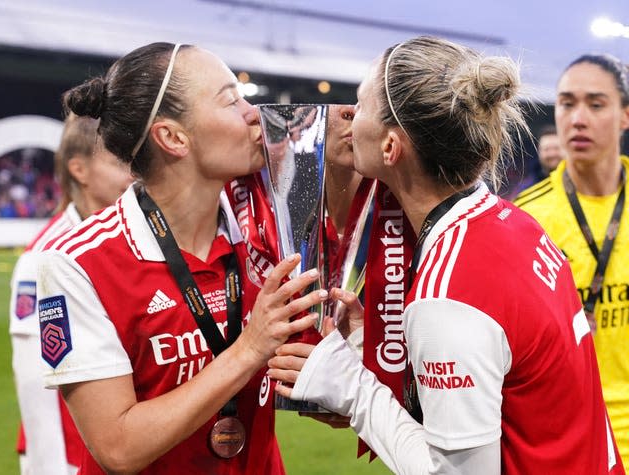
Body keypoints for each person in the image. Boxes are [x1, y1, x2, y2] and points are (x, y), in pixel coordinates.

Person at [268, 36, 624, 474]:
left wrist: (349, 385)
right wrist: (376, 350)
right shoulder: (513, 222)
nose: (348, 115)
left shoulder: (450, 293)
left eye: (360, 104)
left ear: (390, 148)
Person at [36, 42, 325, 473]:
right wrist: (248, 348)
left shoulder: (266, 228)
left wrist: (333, 385)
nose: (252, 112)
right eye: (231, 100)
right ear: (173, 137)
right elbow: (118, 447)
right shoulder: (78, 263)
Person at [514, 53, 629, 468]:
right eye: (566, 103)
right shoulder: (523, 220)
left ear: (624, 116)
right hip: (567, 443)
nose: (578, 118)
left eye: (596, 104)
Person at [9, 112, 133, 474]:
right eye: (119, 161)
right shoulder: (45, 257)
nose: (132, 174)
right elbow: (34, 379)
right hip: (70, 456)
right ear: (79, 170)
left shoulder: (124, 236)